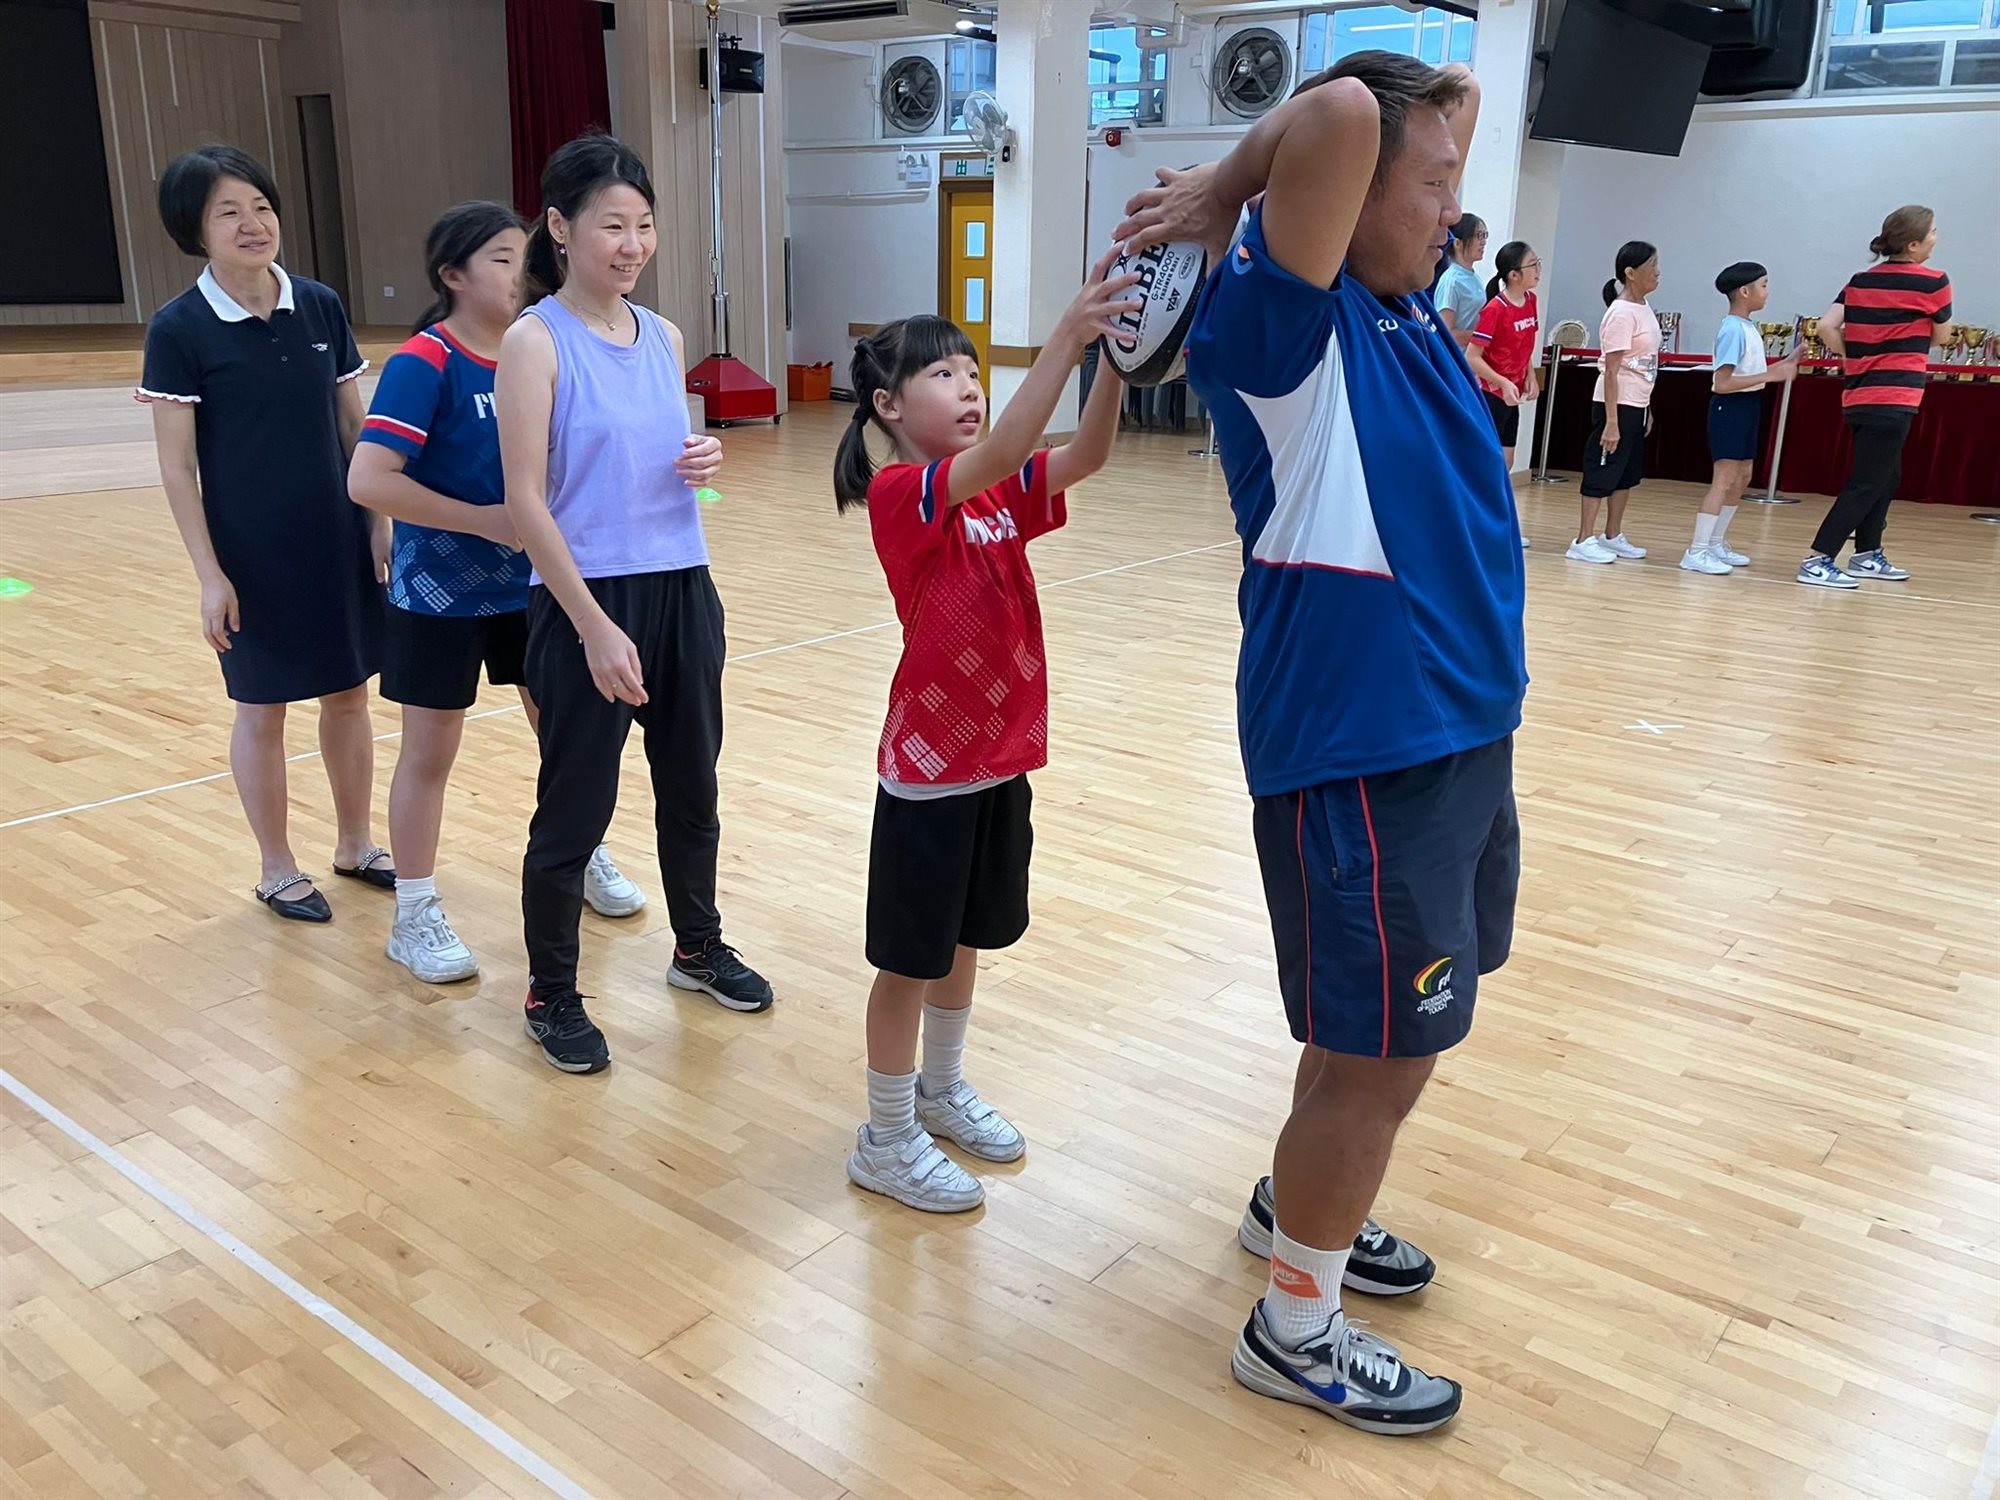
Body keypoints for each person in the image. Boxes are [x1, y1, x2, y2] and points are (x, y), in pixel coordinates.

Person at [1117, 51, 1526, 1435]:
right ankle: (1294, 1329)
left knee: (1376, 1041)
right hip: (1363, 752)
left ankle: (1296, 1216)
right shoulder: (1284, 329)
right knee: (1382, 1059)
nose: (1452, 217)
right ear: (1337, 196)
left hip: (1457, 733)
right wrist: (1224, 186)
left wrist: (1429, 138)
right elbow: (1347, 112)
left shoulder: (1398, 303)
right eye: (1433, 190)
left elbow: (1440, 92)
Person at [831, 261, 1138, 1213]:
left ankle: (940, 1090)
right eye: (944, 375)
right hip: (929, 769)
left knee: (965, 939)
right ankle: (886, 1139)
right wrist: (1068, 334)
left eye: (973, 372)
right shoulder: (905, 494)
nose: (969, 387)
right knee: (909, 962)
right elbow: (1008, 446)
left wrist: (1119, 357)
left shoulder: (998, 494)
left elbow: (1087, 455)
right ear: (888, 404)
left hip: (997, 757)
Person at [495, 133, 774, 1074]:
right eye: (612, 225)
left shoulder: (664, 336)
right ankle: (551, 993)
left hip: (682, 584)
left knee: (693, 788)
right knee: (574, 811)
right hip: (585, 599)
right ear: (560, 227)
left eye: (644, 225)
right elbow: (525, 501)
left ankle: (697, 948)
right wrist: (592, 625)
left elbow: (670, 469)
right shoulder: (534, 341)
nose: (632, 244)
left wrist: (706, 466)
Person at [350, 202, 648, 984]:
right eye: (502, 258)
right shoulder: (425, 361)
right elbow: (369, 480)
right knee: (429, 753)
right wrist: (486, 520)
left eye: (524, 256)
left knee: (566, 736)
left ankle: (579, 852)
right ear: (453, 274)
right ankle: (414, 912)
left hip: (533, 587)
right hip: (437, 596)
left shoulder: (543, 346)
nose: (521, 272)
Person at [139, 144, 393, 922]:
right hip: (250, 554)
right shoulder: (179, 328)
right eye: (230, 212)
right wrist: (210, 575)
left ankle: (355, 844)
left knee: (349, 695)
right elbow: (178, 469)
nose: (254, 224)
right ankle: (276, 867)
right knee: (262, 707)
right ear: (194, 229)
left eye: (262, 207)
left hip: (337, 538)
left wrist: (380, 520)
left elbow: (355, 427)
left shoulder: (318, 304)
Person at [1798, 205, 1952, 589]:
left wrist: (1853, 355)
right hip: (1895, 395)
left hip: (1859, 395)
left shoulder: (1860, 280)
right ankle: (1818, 559)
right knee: (1866, 482)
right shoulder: (1934, 282)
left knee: (1887, 475)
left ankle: (1867, 553)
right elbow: (1943, 337)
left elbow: (1826, 326)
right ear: (1913, 244)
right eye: (1932, 232)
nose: (1936, 239)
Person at [1685, 262, 1798, 575]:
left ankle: (1715, 542)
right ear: (1745, 291)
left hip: (1748, 405)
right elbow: (1722, 383)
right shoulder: (1732, 329)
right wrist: (1772, 375)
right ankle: (1697, 549)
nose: (1767, 292)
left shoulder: (1748, 327)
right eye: (1764, 285)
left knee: (1743, 475)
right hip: (1730, 407)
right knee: (1723, 480)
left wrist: (1780, 366)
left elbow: (1751, 373)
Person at [1568, 242, 1661, 566]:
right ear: (1631, 273)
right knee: (1602, 469)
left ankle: (1612, 534)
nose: (1658, 272)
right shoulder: (1620, 313)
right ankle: (1583, 539)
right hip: (1615, 403)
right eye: (1652, 266)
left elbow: (1644, 362)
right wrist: (1611, 421)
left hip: (1636, 403)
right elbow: (1611, 371)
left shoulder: (1643, 307)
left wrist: (1646, 409)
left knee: (1626, 473)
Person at [1464, 240, 1540, 547]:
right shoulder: (1495, 309)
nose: (1538, 270)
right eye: (1532, 265)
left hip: (1512, 396)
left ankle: (1499, 527)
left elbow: (1526, 345)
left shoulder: (1531, 301)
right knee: (1488, 463)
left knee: (1506, 463)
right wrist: (1503, 382)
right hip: (1490, 396)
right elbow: (1472, 357)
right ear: (1513, 275)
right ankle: (1478, 526)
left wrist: (1529, 375)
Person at [1435, 211, 1486, 351]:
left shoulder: (1474, 277)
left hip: (1472, 355)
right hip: (1456, 356)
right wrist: (1483, 336)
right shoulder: (1451, 281)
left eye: (1484, 235)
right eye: (1478, 236)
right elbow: (1446, 333)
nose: (1483, 242)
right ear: (1458, 243)